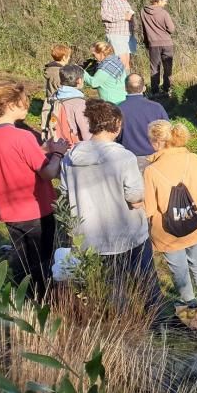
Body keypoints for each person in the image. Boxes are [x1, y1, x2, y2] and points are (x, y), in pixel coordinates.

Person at [59, 100, 157, 299]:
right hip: (127, 234)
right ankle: (160, 323)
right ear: (117, 123)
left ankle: (118, 325)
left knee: (111, 289)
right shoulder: (124, 157)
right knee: (146, 283)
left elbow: (64, 193)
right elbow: (135, 196)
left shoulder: (70, 157)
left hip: (89, 237)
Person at [0, 81, 67, 294]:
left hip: (8, 208)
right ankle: (45, 299)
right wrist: (58, 153)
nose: (27, 106)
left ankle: (23, 296)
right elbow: (48, 172)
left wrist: (42, 149)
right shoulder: (22, 136)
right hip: (35, 208)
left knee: (22, 256)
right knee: (43, 259)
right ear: (10, 105)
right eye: (24, 103)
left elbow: (14, 156)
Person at [143, 120, 197, 308]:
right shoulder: (194, 159)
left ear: (157, 143)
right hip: (196, 223)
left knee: (179, 269)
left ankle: (189, 302)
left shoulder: (151, 171)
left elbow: (150, 209)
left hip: (168, 232)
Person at [118, 74, 169, 164]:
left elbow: (115, 136)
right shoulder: (157, 108)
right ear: (144, 88)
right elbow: (168, 133)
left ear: (125, 88)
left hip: (128, 160)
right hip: (155, 158)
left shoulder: (118, 109)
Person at [139, 0, 176, 96]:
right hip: (166, 43)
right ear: (158, 0)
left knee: (154, 68)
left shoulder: (143, 12)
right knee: (167, 67)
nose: (165, 3)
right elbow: (171, 29)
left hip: (153, 44)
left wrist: (147, 42)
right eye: (165, 1)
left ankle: (155, 92)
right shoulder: (164, 13)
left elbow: (144, 29)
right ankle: (167, 89)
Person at [48, 64, 91, 145]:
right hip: (74, 146)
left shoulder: (55, 96)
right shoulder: (79, 103)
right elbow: (86, 131)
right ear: (79, 81)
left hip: (58, 142)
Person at [101, 0, 136, 71]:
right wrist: (123, 17)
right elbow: (105, 15)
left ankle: (127, 85)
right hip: (116, 34)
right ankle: (120, 85)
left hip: (127, 35)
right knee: (121, 64)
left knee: (127, 64)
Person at [41, 43, 73, 140]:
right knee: (54, 121)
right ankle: (54, 142)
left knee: (45, 120)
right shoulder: (60, 72)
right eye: (68, 57)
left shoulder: (49, 69)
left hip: (48, 99)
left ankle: (44, 139)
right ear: (64, 58)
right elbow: (61, 87)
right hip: (57, 102)